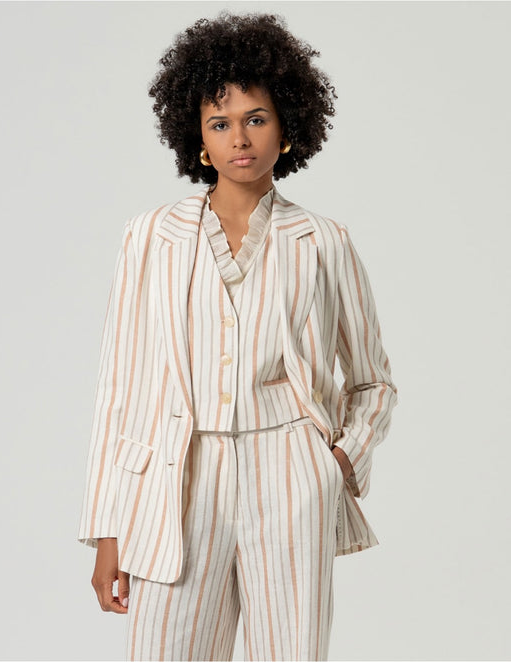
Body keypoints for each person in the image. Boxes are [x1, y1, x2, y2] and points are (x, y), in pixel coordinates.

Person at [77, 11, 398, 661]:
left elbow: (372, 381)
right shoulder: (150, 237)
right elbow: (121, 388)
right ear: (197, 137)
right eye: (219, 123)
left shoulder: (323, 242)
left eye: (256, 119)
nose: (239, 138)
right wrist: (109, 527)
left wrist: (337, 462)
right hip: (178, 480)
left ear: (287, 128)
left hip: (290, 476)